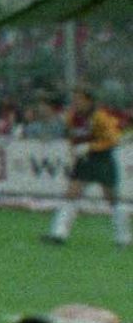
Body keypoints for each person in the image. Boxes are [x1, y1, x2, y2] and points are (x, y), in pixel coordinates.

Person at [51, 92, 126, 247]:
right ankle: (59, 233)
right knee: (72, 193)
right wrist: (74, 150)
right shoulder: (72, 117)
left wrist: (90, 146)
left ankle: (122, 236)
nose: (76, 103)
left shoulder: (100, 117)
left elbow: (113, 140)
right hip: (84, 160)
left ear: (89, 101)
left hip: (102, 159)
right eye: (74, 100)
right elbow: (73, 137)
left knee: (111, 197)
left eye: (79, 99)